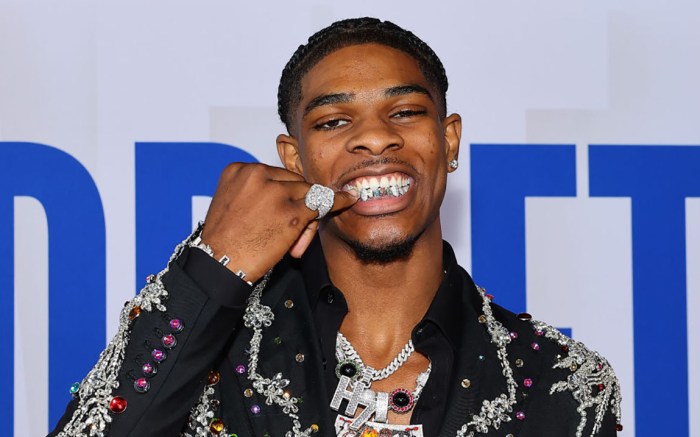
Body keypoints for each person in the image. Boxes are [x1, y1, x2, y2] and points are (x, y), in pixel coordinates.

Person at [49, 17, 622, 437]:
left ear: (448, 141)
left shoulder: (563, 385)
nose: (374, 138)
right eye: (334, 120)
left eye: (404, 112)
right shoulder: (215, 358)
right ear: (294, 159)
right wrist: (212, 265)